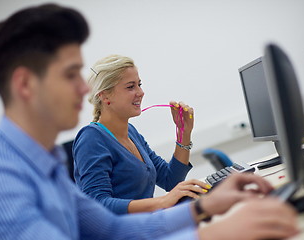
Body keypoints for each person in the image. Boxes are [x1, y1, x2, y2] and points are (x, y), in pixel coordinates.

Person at [0, 3, 299, 240]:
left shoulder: (46, 161)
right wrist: (211, 232)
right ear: (25, 85)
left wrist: (202, 208)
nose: (85, 89)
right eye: (71, 75)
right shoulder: (1, 179)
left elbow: (110, 228)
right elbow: (109, 211)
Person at [73, 54, 208, 214]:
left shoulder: (131, 132)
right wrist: (161, 202)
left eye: (139, 84)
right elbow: (99, 205)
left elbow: (170, 180)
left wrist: (183, 133)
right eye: (131, 87)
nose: (141, 92)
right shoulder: (91, 138)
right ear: (105, 95)